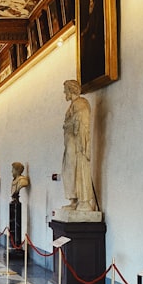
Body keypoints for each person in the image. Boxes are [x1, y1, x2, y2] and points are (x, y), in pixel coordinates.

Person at [61, 79, 96, 210]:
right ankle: (74, 200)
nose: (64, 92)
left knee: (76, 169)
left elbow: (82, 119)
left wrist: (70, 124)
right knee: (69, 171)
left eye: (66, 90)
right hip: (70, 143)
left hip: (76, 144)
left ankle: (83, 201)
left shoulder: (81, 103)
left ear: (71, 90)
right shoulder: (73, 105)